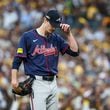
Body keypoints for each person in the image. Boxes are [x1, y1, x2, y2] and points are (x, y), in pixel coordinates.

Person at [11, 9, 79, 110]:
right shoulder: (28, 37)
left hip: (53, 83)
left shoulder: (56, 38)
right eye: (52, 24)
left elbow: (75, 52)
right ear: (45, 20)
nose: (53, 28)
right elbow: (17, 59)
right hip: (37, 84)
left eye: (56, 25)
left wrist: (68, 34)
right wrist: (14, 80)